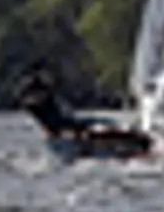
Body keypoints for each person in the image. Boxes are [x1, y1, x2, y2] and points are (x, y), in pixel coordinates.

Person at [16, 62, 154, 159]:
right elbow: (54, 127)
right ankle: (126, 141)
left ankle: (131, 137)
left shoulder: (48, 98)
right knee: (95, 129)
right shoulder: (36, 106)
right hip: (68, 128)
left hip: (74, 123)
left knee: (103, 122)